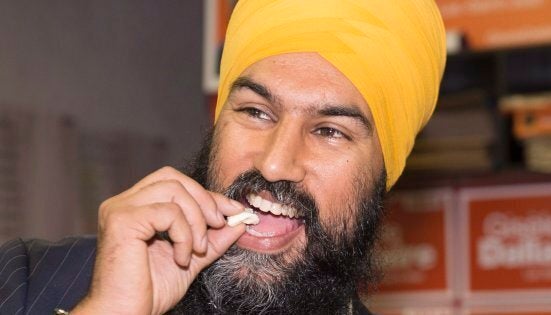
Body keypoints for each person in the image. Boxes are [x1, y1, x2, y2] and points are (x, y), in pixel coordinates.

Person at [0, 0, 446, 314]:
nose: (274, 164)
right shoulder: (25, 281)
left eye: (329, 131)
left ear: (384, 174)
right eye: (256, 111)